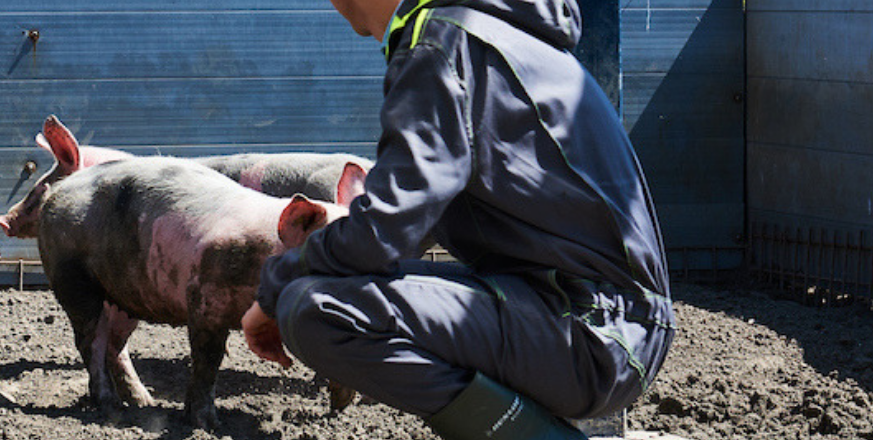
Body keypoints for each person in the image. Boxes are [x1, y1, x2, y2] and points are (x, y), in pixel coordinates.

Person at [241, 0, 675, 438]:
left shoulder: (444, 39)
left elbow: (384, 231)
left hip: (592, 332)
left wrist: (277, 287)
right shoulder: (481, 31)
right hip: (602, 318)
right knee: (330, 290)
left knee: (316, 309)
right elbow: (399, 227)